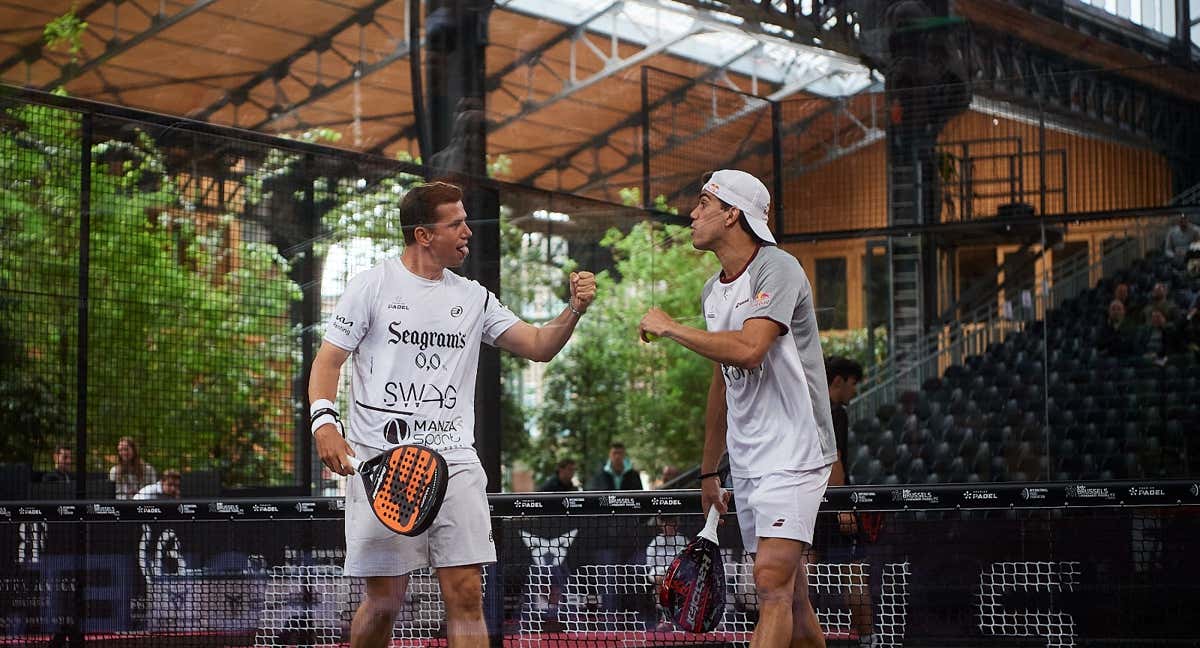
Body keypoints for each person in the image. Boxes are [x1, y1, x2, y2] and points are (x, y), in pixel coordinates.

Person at [308, 180, 596, 648]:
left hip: (455, 461)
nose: (468, 231)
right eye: (456, 223)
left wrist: (574, 309)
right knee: (384, 602)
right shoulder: (372, 285)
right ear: (424, 235)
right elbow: (328, 362)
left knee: (466, 594)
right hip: (383, 465)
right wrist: (325, 423)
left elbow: (539, 346)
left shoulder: (474, 297)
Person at [639, 168, 837, 648]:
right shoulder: (712, 290)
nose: (692, 213)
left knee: (768, 585)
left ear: (732, 214)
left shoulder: (779, 268)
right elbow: (722, 381)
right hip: (747, 462)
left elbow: (750, 348)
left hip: (796, 452)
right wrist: (710, 473)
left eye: (703, 203)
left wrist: (671, 327)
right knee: (790, 598)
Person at [818, 356, 879, 648]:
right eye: (853, 384)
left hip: (809, 503)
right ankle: (869, 641)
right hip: (834, 501)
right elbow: (835, 458)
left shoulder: (809, 408)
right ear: (838, 380)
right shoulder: (835, 412)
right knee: (854, 574)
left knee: (803, 572)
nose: (854, 391)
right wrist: (842, 505)